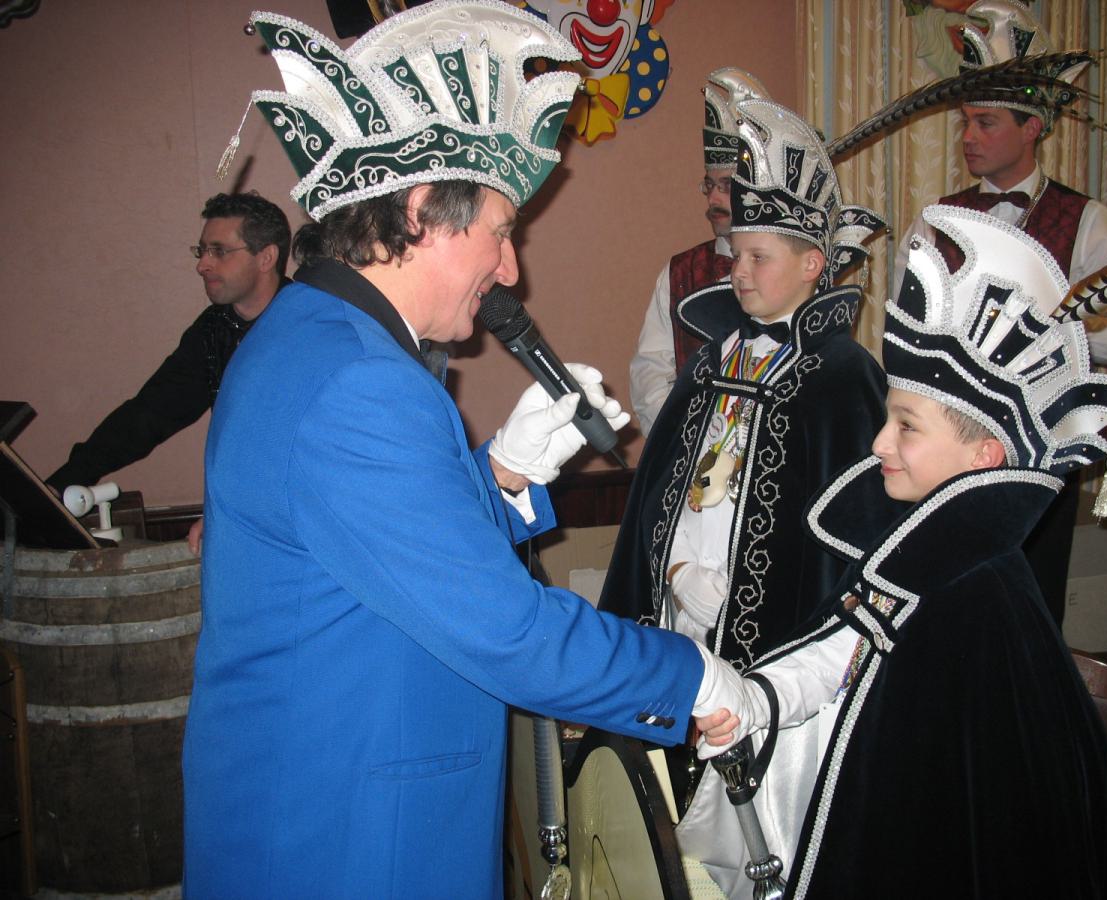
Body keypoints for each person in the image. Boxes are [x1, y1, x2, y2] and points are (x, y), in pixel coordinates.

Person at [181, 6, 757, 898]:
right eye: (501, 229)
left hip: (314, 801)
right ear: (422, 215)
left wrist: (502, 474)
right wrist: (693, 679)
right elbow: (505, 629)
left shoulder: (311, 336)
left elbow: (382, 555)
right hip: (349, 838)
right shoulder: (358, 381)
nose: (511, 269)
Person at [766, 205, 1107, 898]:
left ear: (985, 456)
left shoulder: (977, 602)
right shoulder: (920, 557)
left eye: (906, 426)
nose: (878, 442)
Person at [600, 96, 891, 897]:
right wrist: (661, 583)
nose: (739, 270)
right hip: (681, 621)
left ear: (814, 265)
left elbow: (846, 544)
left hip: (773, 648)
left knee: (762, 839)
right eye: (737, 253)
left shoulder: (846, 380)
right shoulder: (709, 360)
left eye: (761, 257)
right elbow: (661, 492)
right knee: (673, 829)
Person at [893, 0, 1107, 623]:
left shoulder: (1086, 220)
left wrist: (1046, 318)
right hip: (945, 456)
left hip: (1039, 456)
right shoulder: (936, 218)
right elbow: (901, 336)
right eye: (965, 122)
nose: (968, 138)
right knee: (940, 607)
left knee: (1026, 611)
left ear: (1032, 127)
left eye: (986, 123)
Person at [46, 191, 291, 549]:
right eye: (202, 251)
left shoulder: (308, 325)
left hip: (297, 519)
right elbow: (151, 414)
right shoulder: (213, 329)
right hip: (243, 515)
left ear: (266, 257)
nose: (202, 265)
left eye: (219, 251)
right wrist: (63, 483)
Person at [628, 68, 770, 435]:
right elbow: (651, 372)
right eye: (709, 185)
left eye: (727, 186)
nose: (713, 199)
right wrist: (686, 438)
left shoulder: (790, 270)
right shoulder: (679, 273)